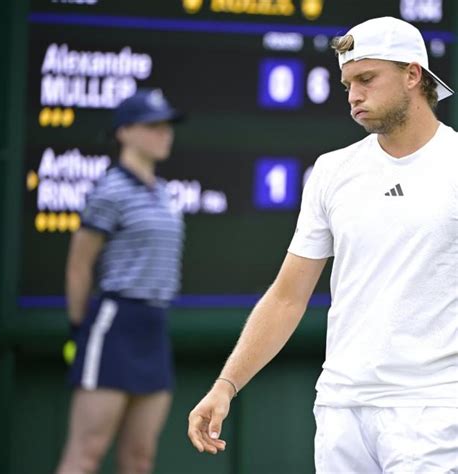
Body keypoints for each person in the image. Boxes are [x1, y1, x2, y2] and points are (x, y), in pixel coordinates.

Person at [188, 16, 457, 473]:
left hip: (433, 410)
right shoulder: (332, 171)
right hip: (339, 411)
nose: (353, 95)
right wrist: (226, 384)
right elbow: (288, 296)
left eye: (366, 79)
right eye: (347, 83)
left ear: (413, 75)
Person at [56, 88, 185, 474]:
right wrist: (80, 329)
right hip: (113, 325)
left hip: (154, 327)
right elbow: (79, 266)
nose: (164, 134)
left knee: (139, 460)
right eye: (153, 126)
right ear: (124, 132)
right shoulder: (109, 190)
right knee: (86, 455)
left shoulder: (163, 193)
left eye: (167, 126)